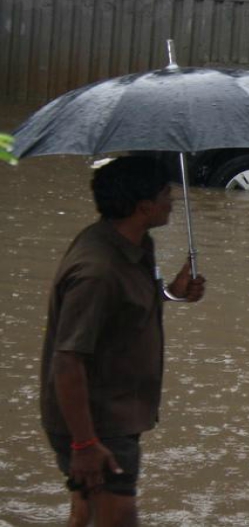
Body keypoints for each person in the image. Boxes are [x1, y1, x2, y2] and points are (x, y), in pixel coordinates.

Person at [40, 156, 206, 526]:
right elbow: (67, 361)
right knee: (117, 517)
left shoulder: (131, 243)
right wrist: (84, 445)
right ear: (144, 207)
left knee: (85, 512)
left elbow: (124, 308)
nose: (172, 201)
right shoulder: (96, 272)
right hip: (97, 425)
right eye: (167, 195)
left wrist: (172, 293)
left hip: (114, 413)